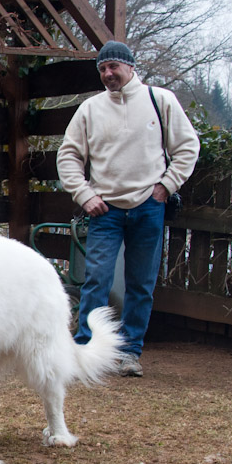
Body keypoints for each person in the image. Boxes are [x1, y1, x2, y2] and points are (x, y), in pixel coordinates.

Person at [57, 40, 200, 377]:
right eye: (102, 69)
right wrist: (84, 194)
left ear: (130, 67)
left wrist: (166, 186)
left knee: (141, 283)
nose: (108, 74)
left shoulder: (159, 100)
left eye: (113, 67)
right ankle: (84, 352)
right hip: (103, 210)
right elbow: (68, 155)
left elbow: (187, 146)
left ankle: (129, 353)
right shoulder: (90, 109)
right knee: (96, 281)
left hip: (149, 207)